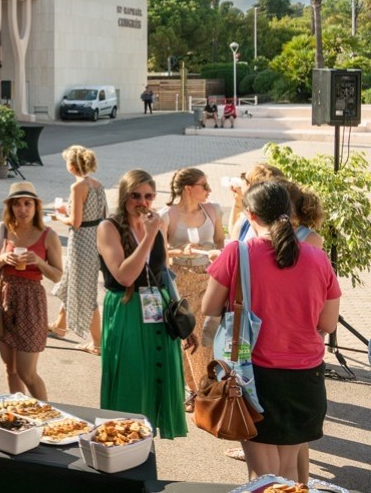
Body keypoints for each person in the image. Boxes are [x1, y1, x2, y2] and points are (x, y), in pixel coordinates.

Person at [203, 181, 341, 483]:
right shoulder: (318, 256)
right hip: (307, 376)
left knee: (262, 475)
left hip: (255, 375)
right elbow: (328, 325)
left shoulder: (237, 252)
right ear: (290, 213)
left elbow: (209, 308)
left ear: (250, 215)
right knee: (290, 474)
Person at [97, 169, 194, 439]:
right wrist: (150, 235)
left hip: (159, 310)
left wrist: (183, 318)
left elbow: (163, 274)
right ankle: (122, 444)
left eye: (149, 196)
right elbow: (125, 275)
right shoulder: (109, 227)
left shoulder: (154, 225)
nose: (143, 202)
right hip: (127, 310)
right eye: (136, 195)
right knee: (132, 380)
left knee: (156, 380)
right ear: (124, 196)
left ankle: (144, 446)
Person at [0, 181, 63, 401]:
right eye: (17, 204)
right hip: (3, 297)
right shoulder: (2, 230)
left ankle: (46, 414)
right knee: (11, 368)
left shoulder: (49, 235)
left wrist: (38, 261)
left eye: (27, 204)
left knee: (27, 372)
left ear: (36, 206)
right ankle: (19, 412)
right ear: (10, 207)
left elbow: (57, 275)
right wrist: (3, 258)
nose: (23, 209)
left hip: (31, 301)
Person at [162, 167, 225, 404]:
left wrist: (216, 254)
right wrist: (180, 251)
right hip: (179, 278)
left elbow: (220, 241)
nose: (209, 190)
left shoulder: (213, 210)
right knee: (186, 333)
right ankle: (196, 390)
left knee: (204, 335)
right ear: (189, 188)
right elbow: (159, 251)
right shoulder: (167, 215)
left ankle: (202, 390)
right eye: (204, 185)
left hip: (207, 276)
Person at [49, 145, 106, 354]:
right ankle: (60, 325)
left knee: (85, 292)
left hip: (81, 242)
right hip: (95, 239)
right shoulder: (97, 184)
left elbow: (75, 222)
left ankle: (98, 343)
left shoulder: (77, 187)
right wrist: (69, 209)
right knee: (71, 282)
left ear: (72, 165)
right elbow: (100, 214)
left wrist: (59, 217)